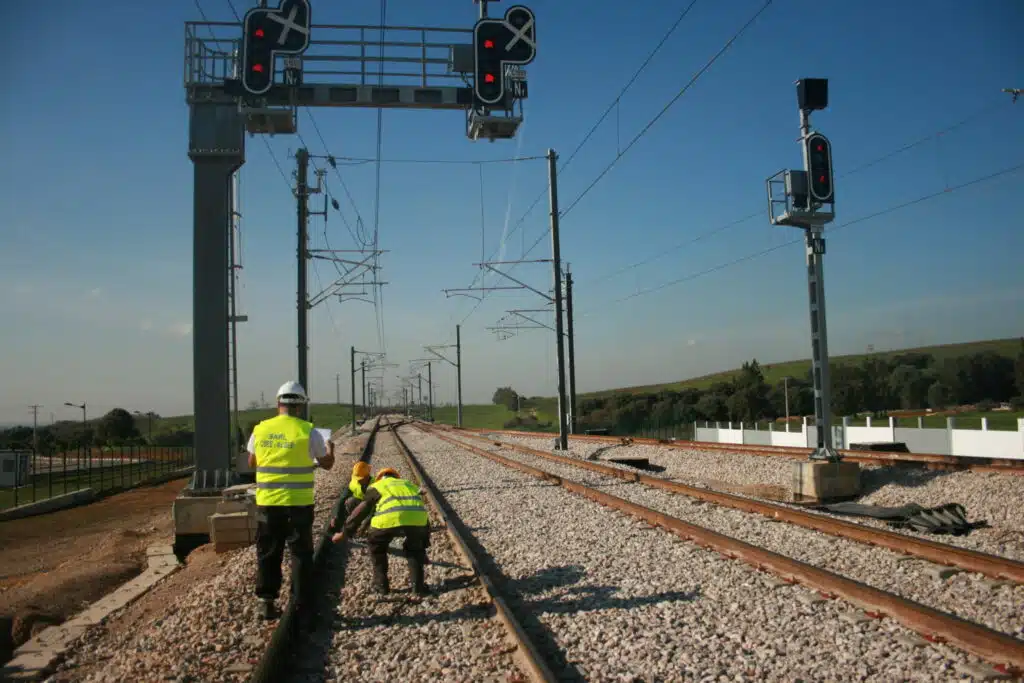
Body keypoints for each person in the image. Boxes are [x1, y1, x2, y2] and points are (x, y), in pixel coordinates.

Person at [247, 381, 335, 622]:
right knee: (301, 553)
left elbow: (252, 462)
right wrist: (331, 449)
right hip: (298, 503)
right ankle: (300, 605)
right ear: (300, 406)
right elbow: (326, 464)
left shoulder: (261, 429)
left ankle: (266, 602)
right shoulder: (308, 431)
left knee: (268, 551)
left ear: (278, 403)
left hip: (268, 503)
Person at [331, 467, 431, 597]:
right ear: (396, 477)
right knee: (415, 549)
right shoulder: (408, 484)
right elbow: (419, 507)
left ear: (379, 478)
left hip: (387, 520)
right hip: (418, 519)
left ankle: (381, 586)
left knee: (377, 547)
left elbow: (361, 511)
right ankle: (418, 588)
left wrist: (345, 533)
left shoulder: (377, 485)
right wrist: (424, 542)